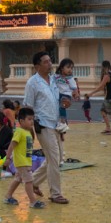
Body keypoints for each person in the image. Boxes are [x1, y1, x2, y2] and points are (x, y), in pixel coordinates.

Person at [25, 50, 67, 204]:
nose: (50, 64)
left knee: (56, 158)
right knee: (54, 159)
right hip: (43, 124)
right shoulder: (32, 83)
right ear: (37, 66)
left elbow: (57, 100)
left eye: (50, 61)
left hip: (56, 124)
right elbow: (28, 106)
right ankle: (56, 193)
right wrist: (29, 130)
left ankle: (34, 182)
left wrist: (64, 108)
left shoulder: (54, 80)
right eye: (46, 62)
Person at [4, 106, 43, 208]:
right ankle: (33, 201)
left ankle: (8, 196)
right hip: (21, 161)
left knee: (18, 179)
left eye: (32, 119)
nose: (31, 122)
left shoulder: (27, 132)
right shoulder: (19, 131)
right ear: (21, 121)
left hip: (26, 161)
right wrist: (8, 158)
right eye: (29, 119)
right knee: (29, 181)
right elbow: (12, 145)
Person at [87, 60, 111, 135]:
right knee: (103, 111)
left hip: (109, 97)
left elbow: (101, 87)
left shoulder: (107, 76)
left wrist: (91, 93)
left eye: (102, 67)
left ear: (104, 67)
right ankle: (108, 128)